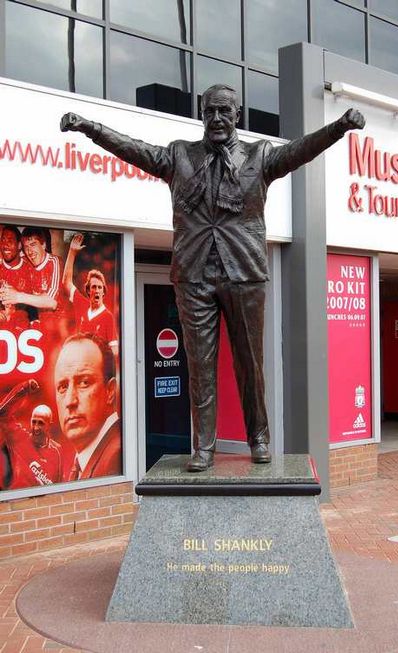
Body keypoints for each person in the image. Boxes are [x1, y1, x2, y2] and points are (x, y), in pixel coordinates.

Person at [60, 84, 365, 472]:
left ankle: (259, 437)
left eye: (224, 111)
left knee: (249, 363)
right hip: (193, 274)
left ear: (237, 114)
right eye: (210, 112)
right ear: (202, 115)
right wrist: (91, 128)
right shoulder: (179, 156)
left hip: (244, 272)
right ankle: (204, 445)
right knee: (200, 366)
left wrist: (338, 127)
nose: (217, 119)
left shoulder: (260, 157)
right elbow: (134, 149)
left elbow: (300, 150)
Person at [54, 333, 121, 480]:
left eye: (84, 382)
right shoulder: (84, 459)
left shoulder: (116, 458)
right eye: (63, 387)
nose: (70, 401)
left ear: (110, 391)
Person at [63, 233, 118, 354]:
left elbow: (114, 350)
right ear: (88, 290)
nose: (97, 290)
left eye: (100, 287)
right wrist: (72, 252)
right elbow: (66, 282)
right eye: (94, 287)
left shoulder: (108, 317)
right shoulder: (82, 303)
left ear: (103, 292)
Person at [0, 226, 63, 332]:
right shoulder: (26, 261)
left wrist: (17, 296)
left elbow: (52, 302)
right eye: (26, 247)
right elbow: (11, 253)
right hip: (39, 326)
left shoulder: (54, 262)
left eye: (33, 245)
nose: (30, 251)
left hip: (61, 326)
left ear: (43, 244)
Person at [1, 403, 64, 489]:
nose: (36, 428)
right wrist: (24, 391)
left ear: (49, 425)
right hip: (18, 498)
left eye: (41, 423)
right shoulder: (21, 439)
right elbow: (3, 414)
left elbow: (59, 487)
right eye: (34, 422)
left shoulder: (57, 452)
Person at [0, 224, 32, 331]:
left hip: (25, 329)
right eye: (3, 240)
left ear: (19, 245)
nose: (5, 245)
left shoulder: (30, 269)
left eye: (10, 240)